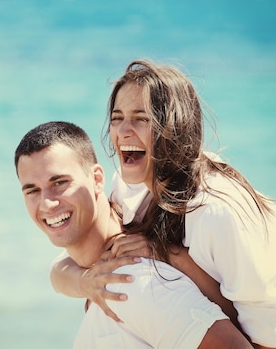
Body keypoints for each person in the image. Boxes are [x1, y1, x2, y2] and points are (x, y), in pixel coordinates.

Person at [51, 60, 276, 349]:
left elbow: (263, 342)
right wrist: (87, 283)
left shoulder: (215, 210)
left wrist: (172, 256)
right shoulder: (131, 186)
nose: (123, 131)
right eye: (117, 118)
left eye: (141, 119)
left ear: (173, 126)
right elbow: (73, 263)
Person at [15, 121, 252, 349]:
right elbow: (58, 271)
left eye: (59, 183)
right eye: (32, 190)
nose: (47, 203)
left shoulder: (134, 283)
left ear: (97, 179)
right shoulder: (98, 276)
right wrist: (82, 283)